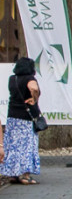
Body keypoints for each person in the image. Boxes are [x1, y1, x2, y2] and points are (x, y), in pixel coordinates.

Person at [0, 57, 42, 185]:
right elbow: (34, 88)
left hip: (12, 116)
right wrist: (34, 98)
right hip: (25, 118)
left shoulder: (12, 79)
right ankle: (25, 175)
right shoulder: (30, 78)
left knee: (13, 146)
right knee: (27, 146)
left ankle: (13, 174)